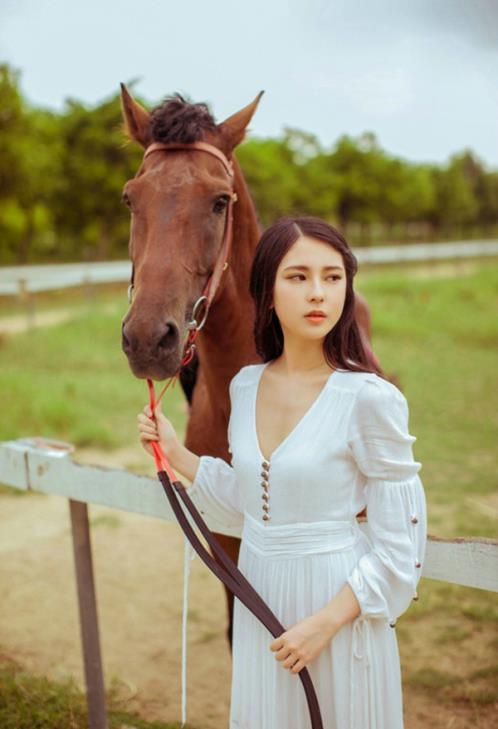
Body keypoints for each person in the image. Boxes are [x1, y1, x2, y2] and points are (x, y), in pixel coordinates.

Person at [137, 216, 427, 729]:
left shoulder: (369, 398)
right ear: (266, 291)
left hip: (336, 608)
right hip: (261, 600)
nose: (318, 293)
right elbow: (255, 506)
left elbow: (400, 545)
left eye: (332, 277)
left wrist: (323, 625)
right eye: (298, 277)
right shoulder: (246, 386)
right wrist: (176, 452)